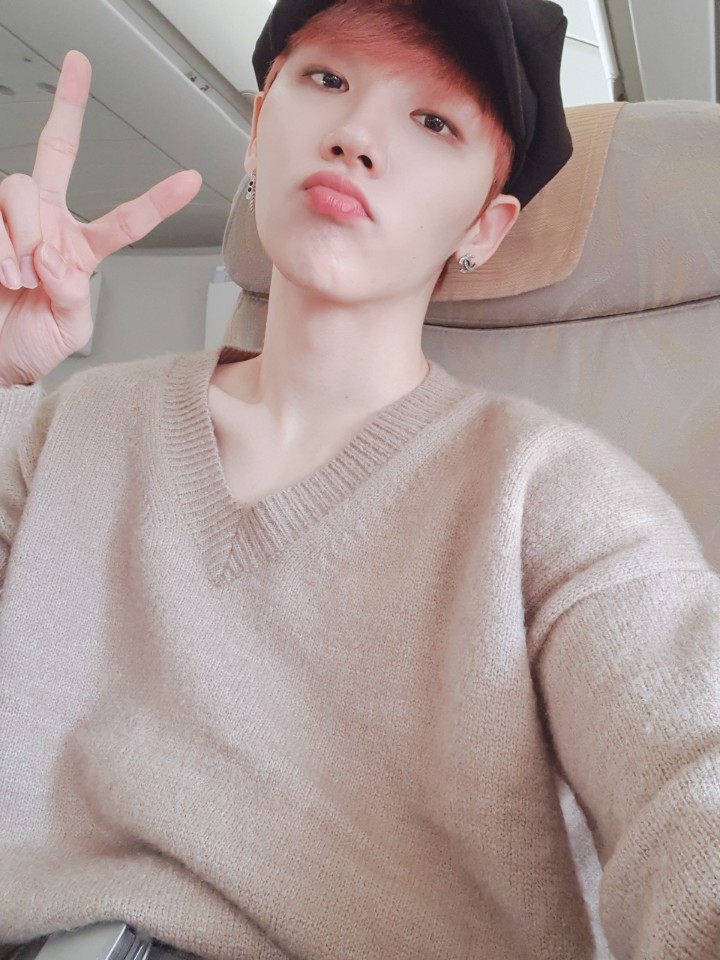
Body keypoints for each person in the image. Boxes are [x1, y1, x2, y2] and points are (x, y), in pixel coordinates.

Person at [0, 1, 718, 959]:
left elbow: (690, 765)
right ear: (260, 126)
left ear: (485, 224)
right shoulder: (69, 426)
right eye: (328, 79)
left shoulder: (552, 494)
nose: (356, 137)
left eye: (434, 121)